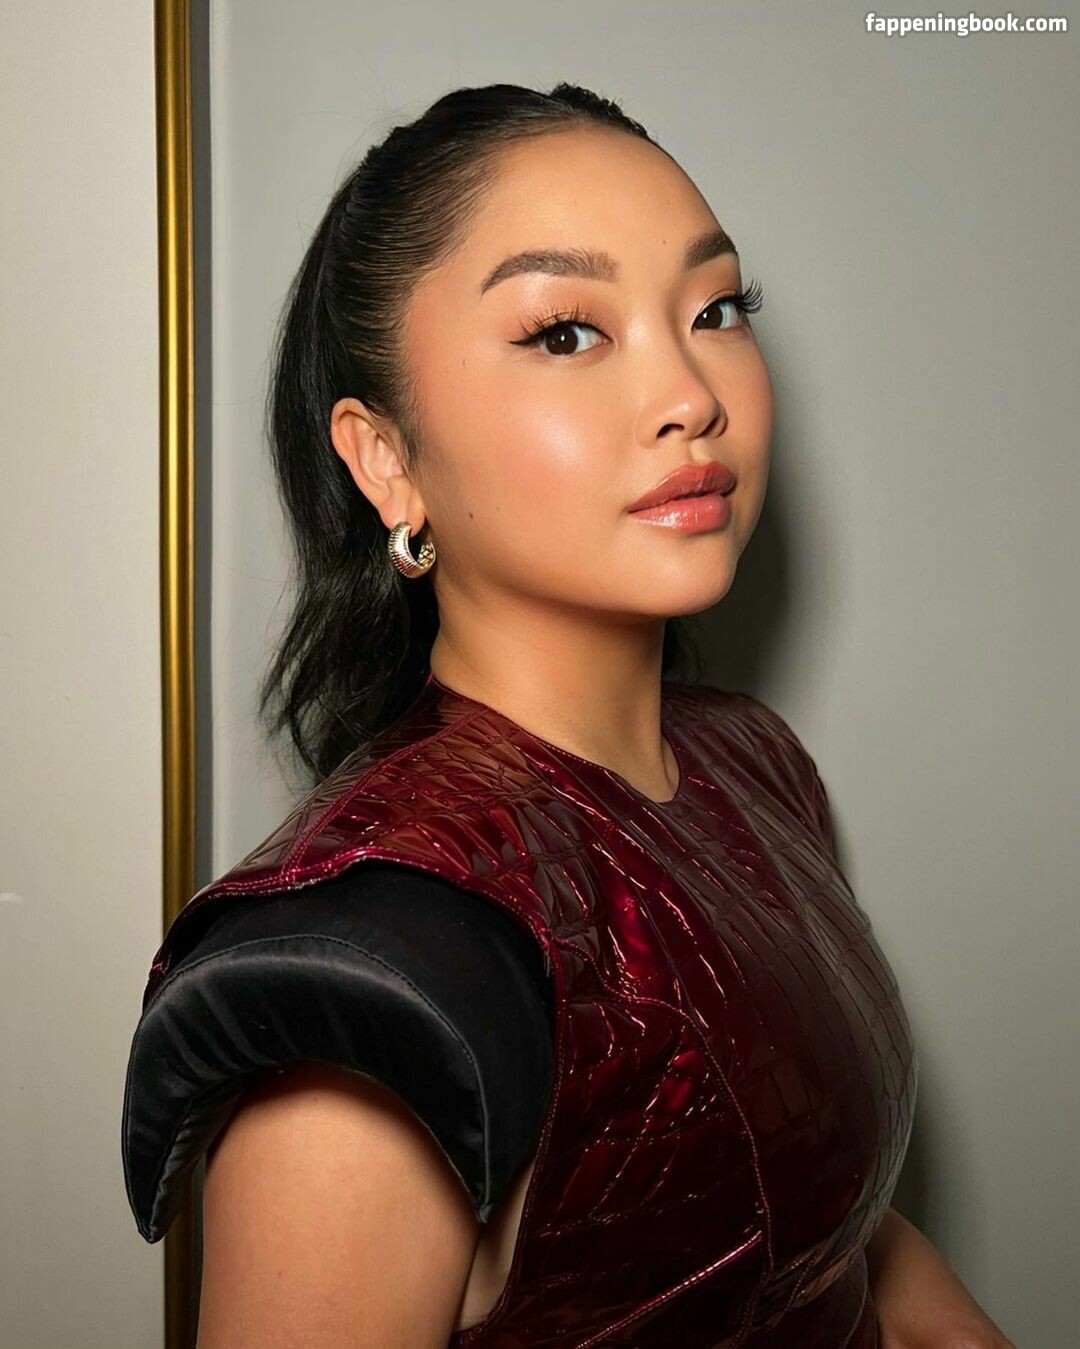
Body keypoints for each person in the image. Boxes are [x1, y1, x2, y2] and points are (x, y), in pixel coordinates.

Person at [122, 82, 1015, 1348]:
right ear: (385, 458)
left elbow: (835, 1228)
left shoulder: (751, 762)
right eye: (565, 332)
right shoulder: (380, 978)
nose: (691, 393)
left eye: (716, 309)